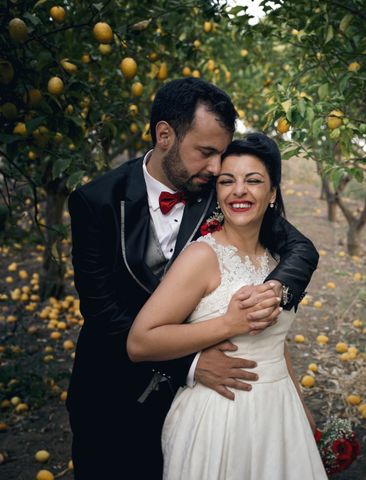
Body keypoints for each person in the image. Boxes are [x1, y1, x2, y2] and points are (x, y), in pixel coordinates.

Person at [66, 78, 319, 479]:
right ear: (164, 134)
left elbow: (301, 247)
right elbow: (103, 313)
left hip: (199, 404)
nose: (218, 168)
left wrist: (275, 288)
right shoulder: (95, 201)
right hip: (113, 393)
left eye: (221, 154)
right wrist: (191, 364)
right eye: (206, 152)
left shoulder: (218, 191)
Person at [127, 133, 327, 479]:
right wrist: (229, 324)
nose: (239, 191)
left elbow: (276, 344)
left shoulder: (277, 259)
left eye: (253, 181)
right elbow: (140, 342)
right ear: (217, 192)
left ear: (273, 192)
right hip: (219, 416)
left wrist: (301, 405)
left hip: (280, 413)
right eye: (227, 181)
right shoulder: (202, 256)